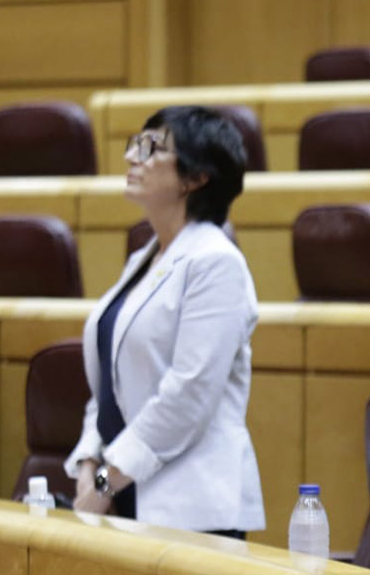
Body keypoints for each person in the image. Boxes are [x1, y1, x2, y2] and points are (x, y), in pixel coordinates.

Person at [65, 105, 265, 538]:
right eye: (136, 144)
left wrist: (105, 481)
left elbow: (188, 395)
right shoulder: (145, 259)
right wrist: (88, 463)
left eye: (152, 148)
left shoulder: (216, 262)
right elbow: (110, 384)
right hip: (126, 494)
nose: (133, 157)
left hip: (192, 512)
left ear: (197, 178)